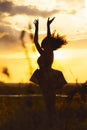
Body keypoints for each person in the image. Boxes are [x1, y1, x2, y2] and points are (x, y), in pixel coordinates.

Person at [30, 17, 67, 127]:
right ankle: (52, 121)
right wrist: (36, 28)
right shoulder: (44, 52)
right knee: (49, 101)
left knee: (50, 100)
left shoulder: (48, 52)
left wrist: (47, 26)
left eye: (45, 44)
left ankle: (53, 121)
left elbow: (48, 38)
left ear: (48, 45)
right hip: (45, 77)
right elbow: (35, 41)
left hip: (47, 77)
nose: (42, 46)